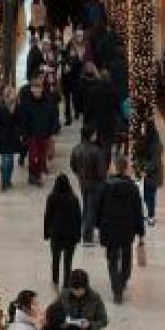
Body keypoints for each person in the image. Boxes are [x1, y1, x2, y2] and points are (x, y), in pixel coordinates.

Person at [94, 155, 145, 304]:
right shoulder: (132, 187)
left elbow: (98, 208)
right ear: (126, 168)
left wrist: (98, 225)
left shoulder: (105, 186)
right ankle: (122, 281)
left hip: (109, 227)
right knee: (127, 257)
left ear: (114, 167)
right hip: (127, 228)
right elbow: (138, 211)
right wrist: (140, 231)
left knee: (112, 259)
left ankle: (116, 289)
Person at [68, 127, 107, 245]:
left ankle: (84, 230)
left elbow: (73, 166)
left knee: (86, 206)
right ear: (90, 135)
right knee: (91, 209)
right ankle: (87, 237)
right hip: (95, 184)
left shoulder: (76, 149)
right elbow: (101, 172)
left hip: (83, 182)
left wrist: (80, 175)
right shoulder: (97, 151)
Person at [43, 174, 82, 289]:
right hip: (71, 235)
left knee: (55, 259)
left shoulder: (52, 197)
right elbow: (78, 218)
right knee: (68, 261)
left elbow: (48, 216)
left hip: (56, 234)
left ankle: (55, 280)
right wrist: (79, 234)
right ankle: (66, 283)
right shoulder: (74, 198)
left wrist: (46, 232)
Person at [0, 87, 25, 190]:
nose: (14, 96)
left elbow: (21, 122)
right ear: (7, 95)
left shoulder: (18, 107)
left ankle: (8, 180)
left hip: (13, 137)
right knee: (5, 160)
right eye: (12, 94)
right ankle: (4, 182)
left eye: (14, 94)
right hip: (3, 137)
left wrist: (21, 133)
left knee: (10, 160)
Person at [131, 122, 164, 225]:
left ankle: (151, 216)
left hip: (152, 174)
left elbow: (155, 161)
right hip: (143, 173)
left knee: (150, 195)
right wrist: (138, 167)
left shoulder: (156, 144)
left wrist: (145, 170)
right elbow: (136, 156)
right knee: (145, 195)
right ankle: (149, 214)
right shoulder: (141, 140)